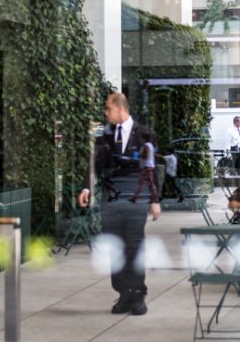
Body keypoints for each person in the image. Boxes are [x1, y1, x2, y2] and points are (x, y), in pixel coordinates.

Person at [79, 92, 161, 316]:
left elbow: (151, 169)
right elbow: (94, 162)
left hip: (136, 199)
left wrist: (155, 200)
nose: (106, 113)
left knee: (134, 247)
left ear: (120, 108)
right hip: (112, 198)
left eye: (108, 109)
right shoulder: (104, 135)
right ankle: (124, 295)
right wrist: (86, 187)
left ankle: (138, 296)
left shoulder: (145, 134)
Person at [129, 131, 159, 204]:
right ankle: (152, 198)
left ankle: (154, 198)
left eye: (141, 138)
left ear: (143, 138)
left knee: (148, 183)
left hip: (147, 166)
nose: (140, 139)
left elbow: (145, 156)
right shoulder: (150, 145)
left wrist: (139, 155)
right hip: (148, 166)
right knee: (147, 183)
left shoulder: (146, 145)